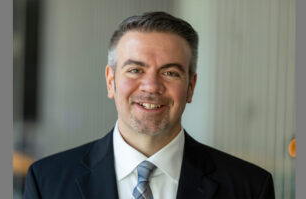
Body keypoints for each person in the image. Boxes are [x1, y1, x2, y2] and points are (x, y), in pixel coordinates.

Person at [24, 11, 275, 199]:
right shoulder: (47, 183)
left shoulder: (249, 187)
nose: (151, 86)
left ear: (191, 86)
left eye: (170, 73)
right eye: (135, 70)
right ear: (111, 82)